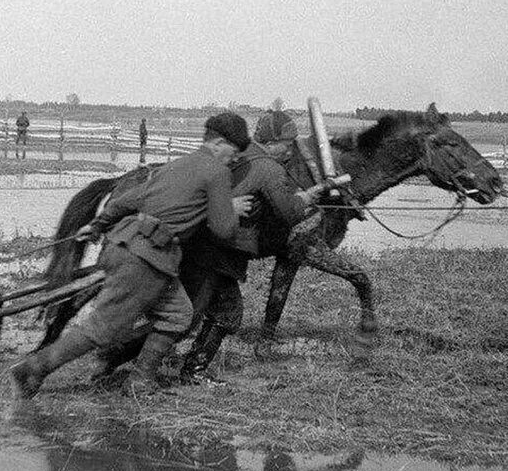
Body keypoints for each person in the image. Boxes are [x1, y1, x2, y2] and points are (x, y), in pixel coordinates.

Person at [11, 112, 254, 399]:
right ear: (218, 143)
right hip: (145, 259)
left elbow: (130, 199)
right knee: (103, 329)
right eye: (234, 151)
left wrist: (97, 225)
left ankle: (140, 381)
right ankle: (34, 369)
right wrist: (229, 208)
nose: (236, 158)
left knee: (179, 315)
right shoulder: (217, 172)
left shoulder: (177, 165)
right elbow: (224, 230)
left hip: (129, 247)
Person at [91, 134, 331, 387]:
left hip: (201, 246)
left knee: (199, 315)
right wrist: (309, 197)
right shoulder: (267, 167)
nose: (290, 151)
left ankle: (138, 362)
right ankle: (157, 366)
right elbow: (288, 212)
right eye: (287, 144)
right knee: (209, 315)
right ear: (273, 142)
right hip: (218, 253)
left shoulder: (239, 154)